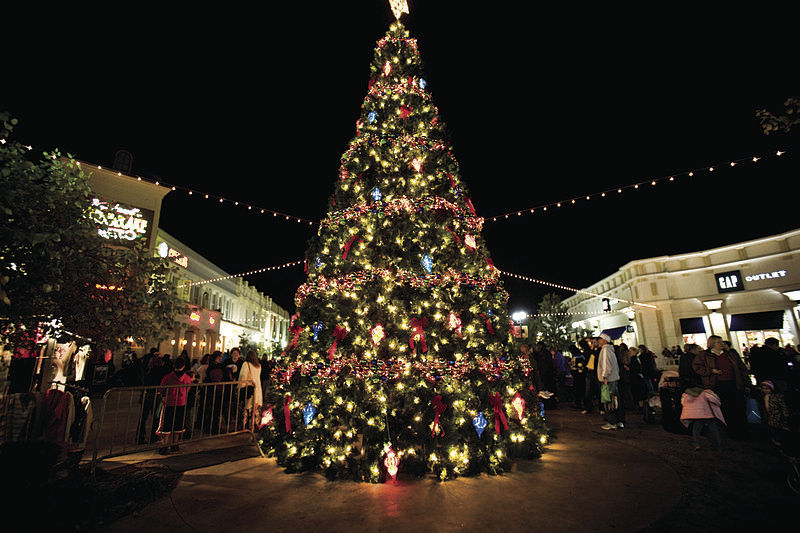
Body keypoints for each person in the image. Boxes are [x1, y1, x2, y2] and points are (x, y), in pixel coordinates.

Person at [692, 335, 751, 439]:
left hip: (734, 383)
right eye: (719, 342)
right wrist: (711, 371)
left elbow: (741, 368)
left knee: (738, 407)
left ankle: (742, 430)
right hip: (717, 384)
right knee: (724, 408)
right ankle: (729, 430)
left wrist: (746, 383)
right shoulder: (704, 356)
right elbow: (697, 367)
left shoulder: (730, 354)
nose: (722, 344)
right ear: (712, 344)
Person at [156, 357, 193, 454]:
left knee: (167, 423)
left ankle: (165, 444)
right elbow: (188, 389)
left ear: (174, 365)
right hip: (181, 402)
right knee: (178, 423)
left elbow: (161, 389)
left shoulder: (168, 377)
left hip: (169, 402)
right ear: (184, 366)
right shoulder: (187, 378)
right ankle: (175, 444)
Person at [137, 349, 171, 445]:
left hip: (147, 394)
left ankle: (140, 437)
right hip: (156, 395)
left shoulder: (147, 371)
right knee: (156, 417)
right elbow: (168, 368)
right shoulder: (160, 371)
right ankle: (154, 436)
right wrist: (164, 357)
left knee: (143, 417)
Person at [680, 386, 726, 450]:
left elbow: (683, 402)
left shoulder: (687, 394)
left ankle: (697, 444)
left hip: (696, 416)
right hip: (707, 415)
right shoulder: (706, 393)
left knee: (696, 429)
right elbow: (715, 400)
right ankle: (718, 445)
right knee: (713, 429)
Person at [597, 333, 624, 430]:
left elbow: (606, 365)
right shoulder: (611, 350)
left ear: (605, 340)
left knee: (609, 401)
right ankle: (619, 421)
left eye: (600, 339)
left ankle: (612, 421)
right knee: (616, 401)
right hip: (614, 379)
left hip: (608, 380)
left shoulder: (605, 350)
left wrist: (604, 377)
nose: (598, 341)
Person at [238, 350, 263, 428]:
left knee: (247, 407)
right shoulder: (258, 366)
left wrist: (240, 387)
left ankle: (244, 424)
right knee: (255, 407)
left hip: (249, 388)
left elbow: (243, 376)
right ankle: (254, 424)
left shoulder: (246, 364)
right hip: (257, 388)